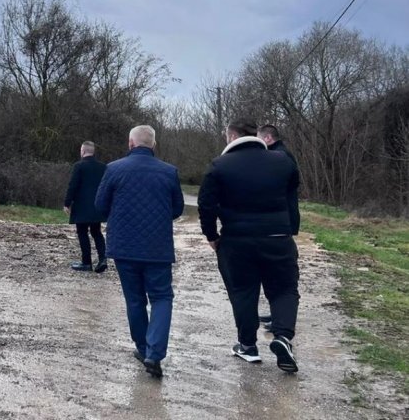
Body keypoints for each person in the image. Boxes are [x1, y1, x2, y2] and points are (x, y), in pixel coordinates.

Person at [198, 119, 301, 373]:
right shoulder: (283, 162)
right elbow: (291, 198)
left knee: (243, 291)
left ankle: (247, 345)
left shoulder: (219, 166)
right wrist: (289, 229)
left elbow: (206, 206)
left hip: (236, 241)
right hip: (278, 237)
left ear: (231, 136)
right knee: (284, 289)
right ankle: (282, 337)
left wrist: (211, 236)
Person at [95, 125, 184, 378]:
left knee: (134, 299)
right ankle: (154, 354)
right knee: (161, 297)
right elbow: (177, 209)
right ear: (153, 145)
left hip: (124, 246)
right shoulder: (169, 172)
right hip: (157, 247)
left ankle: (143, 348)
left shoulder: (113, 169)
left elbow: (100, 207)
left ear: (130, 143)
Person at [256, 124, 301, 327]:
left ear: (267, 138)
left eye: (259, 138)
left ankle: (281, 318)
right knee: (277, 272)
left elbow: (292, 184)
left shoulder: (281, 156)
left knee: (281, 274)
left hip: (283, 217)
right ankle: (277, 314)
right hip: (283, 216)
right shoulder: (281, 154)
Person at [64, 141, 108, 273]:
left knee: (82, 233)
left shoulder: (79, 166)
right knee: (97, 232)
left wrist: (67, 203)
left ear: (83, 151)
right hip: (97, 206)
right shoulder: (103, 167)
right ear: (93, 152)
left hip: (82, 206)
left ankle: (86, 262)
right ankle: (102, 259)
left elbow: (73, 185)